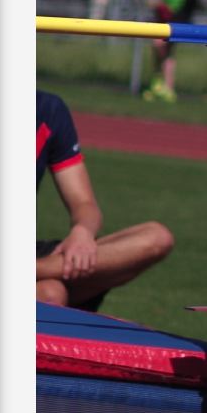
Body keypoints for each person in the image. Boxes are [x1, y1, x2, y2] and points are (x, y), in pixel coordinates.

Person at [36, 89, 174, 311]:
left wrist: (82, 232)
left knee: (157, 238)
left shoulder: (48, 110)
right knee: (50, 294)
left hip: (38, 259)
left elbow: (84, 203)